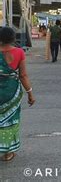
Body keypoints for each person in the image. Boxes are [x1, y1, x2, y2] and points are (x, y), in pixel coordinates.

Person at [0, 27, 35, 161]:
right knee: (10, 121)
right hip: (11, 92)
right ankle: (8, 152)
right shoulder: (19, 52)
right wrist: (30, 94)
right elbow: (23, 75)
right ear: (13, 39)